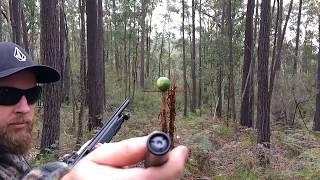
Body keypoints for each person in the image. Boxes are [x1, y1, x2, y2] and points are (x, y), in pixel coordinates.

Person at [0, 42, 189, 180]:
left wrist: (80, 156)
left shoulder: (8, 149)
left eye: (32, 94)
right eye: (6, 94)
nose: (24, 107)